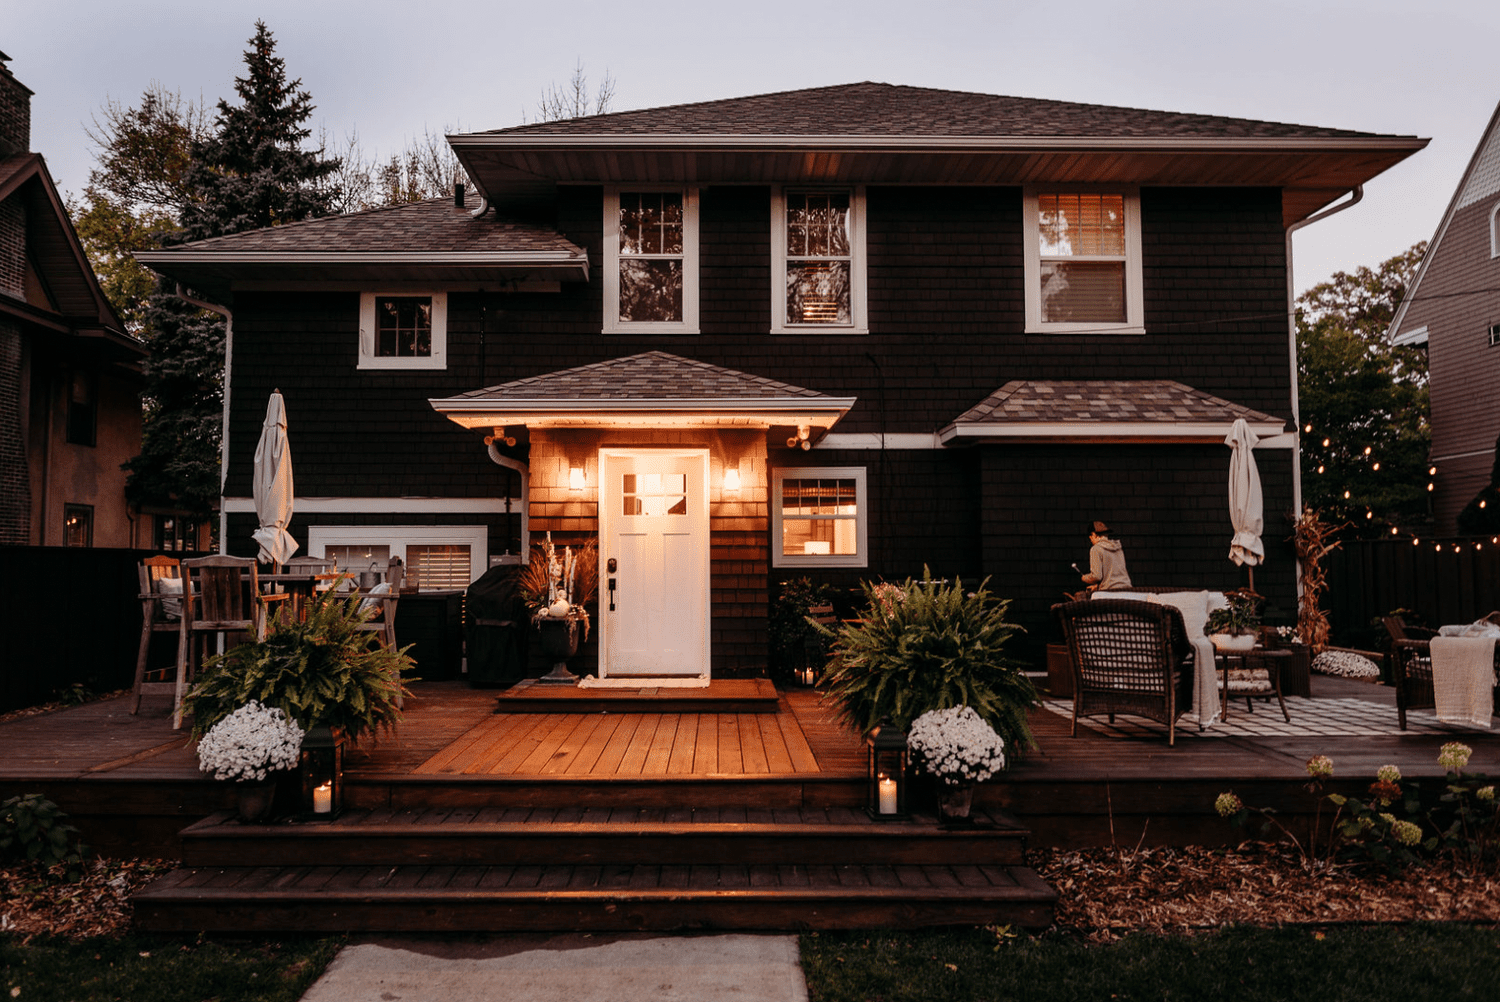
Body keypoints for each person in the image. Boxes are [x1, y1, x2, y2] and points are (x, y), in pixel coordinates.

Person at [1081, 521, 1132, 592]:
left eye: (1090, 538)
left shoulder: (1096, 549)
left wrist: (1084, 578)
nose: (1091, 541)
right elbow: (1113, 575)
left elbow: (1096, 576)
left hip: (1110, 592)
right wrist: (1097, 586)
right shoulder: (1118, 547)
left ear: (1093, 534)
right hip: (1127, 589)